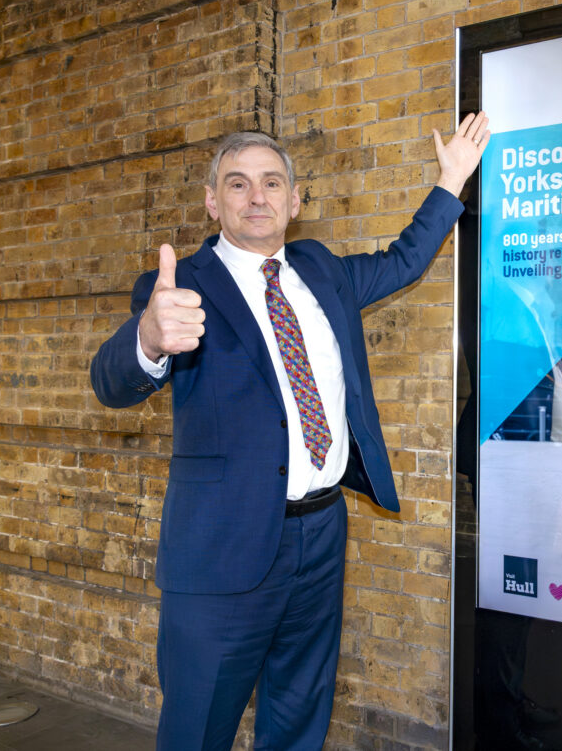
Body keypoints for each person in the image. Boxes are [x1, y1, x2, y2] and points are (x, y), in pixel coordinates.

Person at [89, 113, 490, 750]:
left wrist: (451, 182)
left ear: (295, 201)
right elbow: (109, 383)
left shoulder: (322, 270)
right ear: (212, 200)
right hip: (222, 546)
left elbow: (405, 261)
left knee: (300, 717)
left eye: (273, 183)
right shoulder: (180, 289)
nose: (257, 197)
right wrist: (146, 339)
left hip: (322, 534)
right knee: (198, 729)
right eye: (239, 183)